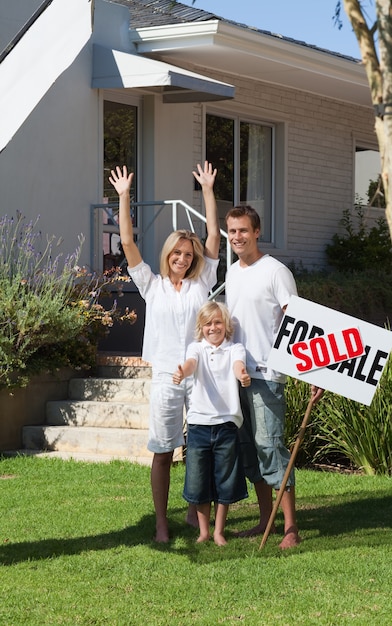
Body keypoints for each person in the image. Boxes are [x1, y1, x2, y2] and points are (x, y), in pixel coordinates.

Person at [109, 162, 220, 543]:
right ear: (169, 253)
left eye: (189, 255)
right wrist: (124, 197)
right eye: (179, 254)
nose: (184, 259)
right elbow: (127, 243)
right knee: (163, 450)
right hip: (163, 377)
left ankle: (193, 513)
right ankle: (161, 522)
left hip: (202, 373)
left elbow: (214, 235)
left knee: (199, 447)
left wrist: (206, 189)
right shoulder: (150, 285)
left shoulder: (203, 281)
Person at [224, 205, 323, 549]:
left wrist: (312, 370)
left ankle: (291, 528)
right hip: (237, 375)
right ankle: (265, 519)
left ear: (257, 231)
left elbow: (297, 322)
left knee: (272, 448)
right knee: (250, 450)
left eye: (243, 231)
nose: (237, 237)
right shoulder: (232, 273)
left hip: (267, 374)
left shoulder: (276, 271)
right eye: (232, 231)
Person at [173, 301, 250, 546]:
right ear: (201, 327)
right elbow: (191, 364)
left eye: (217, 322)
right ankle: (204, 531)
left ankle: (219, 531)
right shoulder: (196, 348)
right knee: (198, 480)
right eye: (208, 323)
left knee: (224, 480)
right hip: (198, 426)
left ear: (225, 325)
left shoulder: (235, 349)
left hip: (226, 425)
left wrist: (242, 375)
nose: (213, 328)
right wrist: (183, 372)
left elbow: (238, 366)